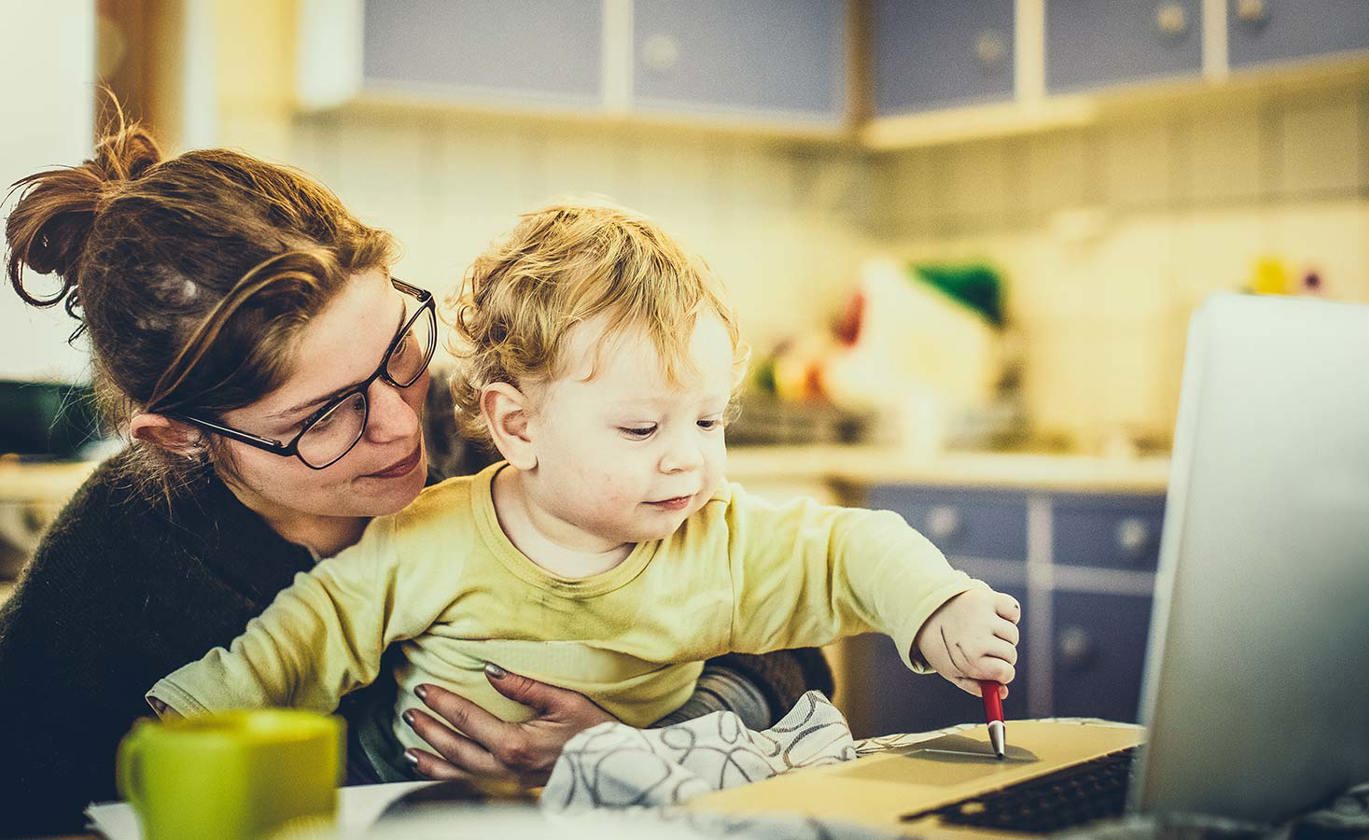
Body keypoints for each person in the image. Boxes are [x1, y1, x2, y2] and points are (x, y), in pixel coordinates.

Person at [0, 123, 828, 836]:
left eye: (400, 350)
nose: (402, 426)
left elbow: (791, 659)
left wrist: (659, 734)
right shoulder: (108, 571)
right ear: (179, 436)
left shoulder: (505, 434)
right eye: (325, 416)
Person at [147, 202, 1022, 781]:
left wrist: (937, 606)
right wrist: (190, 713)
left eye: (710, 423)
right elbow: (306, 637)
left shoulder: (714, 538)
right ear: (518, 426)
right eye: (642, 430)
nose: (688, 461)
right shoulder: (429, 535)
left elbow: (849, 551)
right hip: (405, 803)